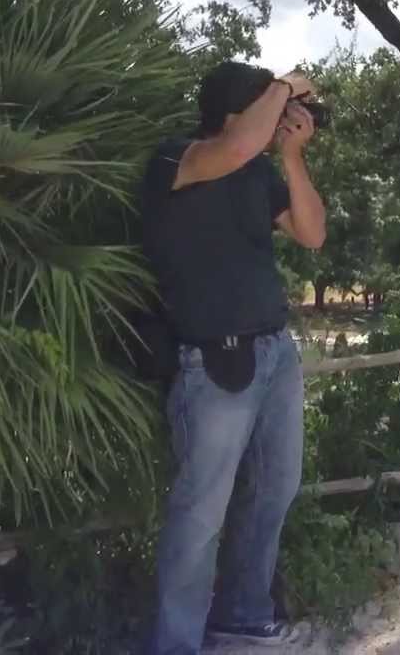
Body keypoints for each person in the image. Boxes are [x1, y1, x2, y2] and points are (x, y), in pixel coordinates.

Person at [140, 61, 326, 653]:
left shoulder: (260, 172)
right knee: (200, 517)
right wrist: (287, 84)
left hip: (275, 354)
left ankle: (244, 617)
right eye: (269, 105)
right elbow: (240, 141)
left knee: (276, 488)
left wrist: (294, 157)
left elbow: (312, 234)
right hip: (211, 364)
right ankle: (176, 644)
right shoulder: (177, 159)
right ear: (237, 109)